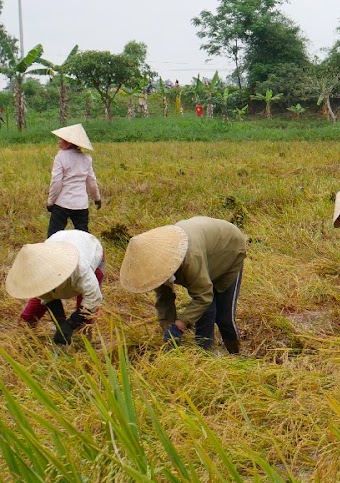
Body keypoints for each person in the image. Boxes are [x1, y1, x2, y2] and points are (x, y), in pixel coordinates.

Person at [119, 216, 248, 352]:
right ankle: (205, 354)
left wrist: (180, 325)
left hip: (228, 250)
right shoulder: (157, 264)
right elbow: (164, 299)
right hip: (205, 253)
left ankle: (235, 354)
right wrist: (168, 331)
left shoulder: (189, 258)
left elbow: (204, 296)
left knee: (223, 318)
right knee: (205, 311)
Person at [7, 229, 105, 345]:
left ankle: (84, 340)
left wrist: (72, 323)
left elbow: (93, 298)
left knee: (85, 312)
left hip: (89, 246)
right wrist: (61, 323)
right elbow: (47, 298)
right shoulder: (35, 272)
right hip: (59, 239)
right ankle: (24, 335)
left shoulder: (81, 269)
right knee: (35, 306)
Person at [46, 123, 101, 236]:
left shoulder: (61, 157)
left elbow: (56, 183)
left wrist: (50, 202)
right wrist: (96, 198)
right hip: (81, 204)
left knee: (53, 236)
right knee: (83, 237)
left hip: (62, 203)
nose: (59, 142)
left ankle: (52, 253)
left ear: (68, 142)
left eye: (61, 139)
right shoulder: (86, 159)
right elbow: (91, 182)